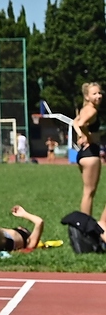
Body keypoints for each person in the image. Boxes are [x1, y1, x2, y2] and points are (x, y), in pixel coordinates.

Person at [72, 82, 102, 219]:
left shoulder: (84, 109)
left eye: (99, 93)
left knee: (87, 192)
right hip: (91, 153)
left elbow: (75, 122)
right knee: (89, 192)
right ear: (87, 96)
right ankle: (85, 225)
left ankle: (84, 224)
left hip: (83, 154)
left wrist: (80, 135)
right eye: (94, 93)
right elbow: (81, 123)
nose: (98, 96)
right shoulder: (92, 110)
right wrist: (88, 137)